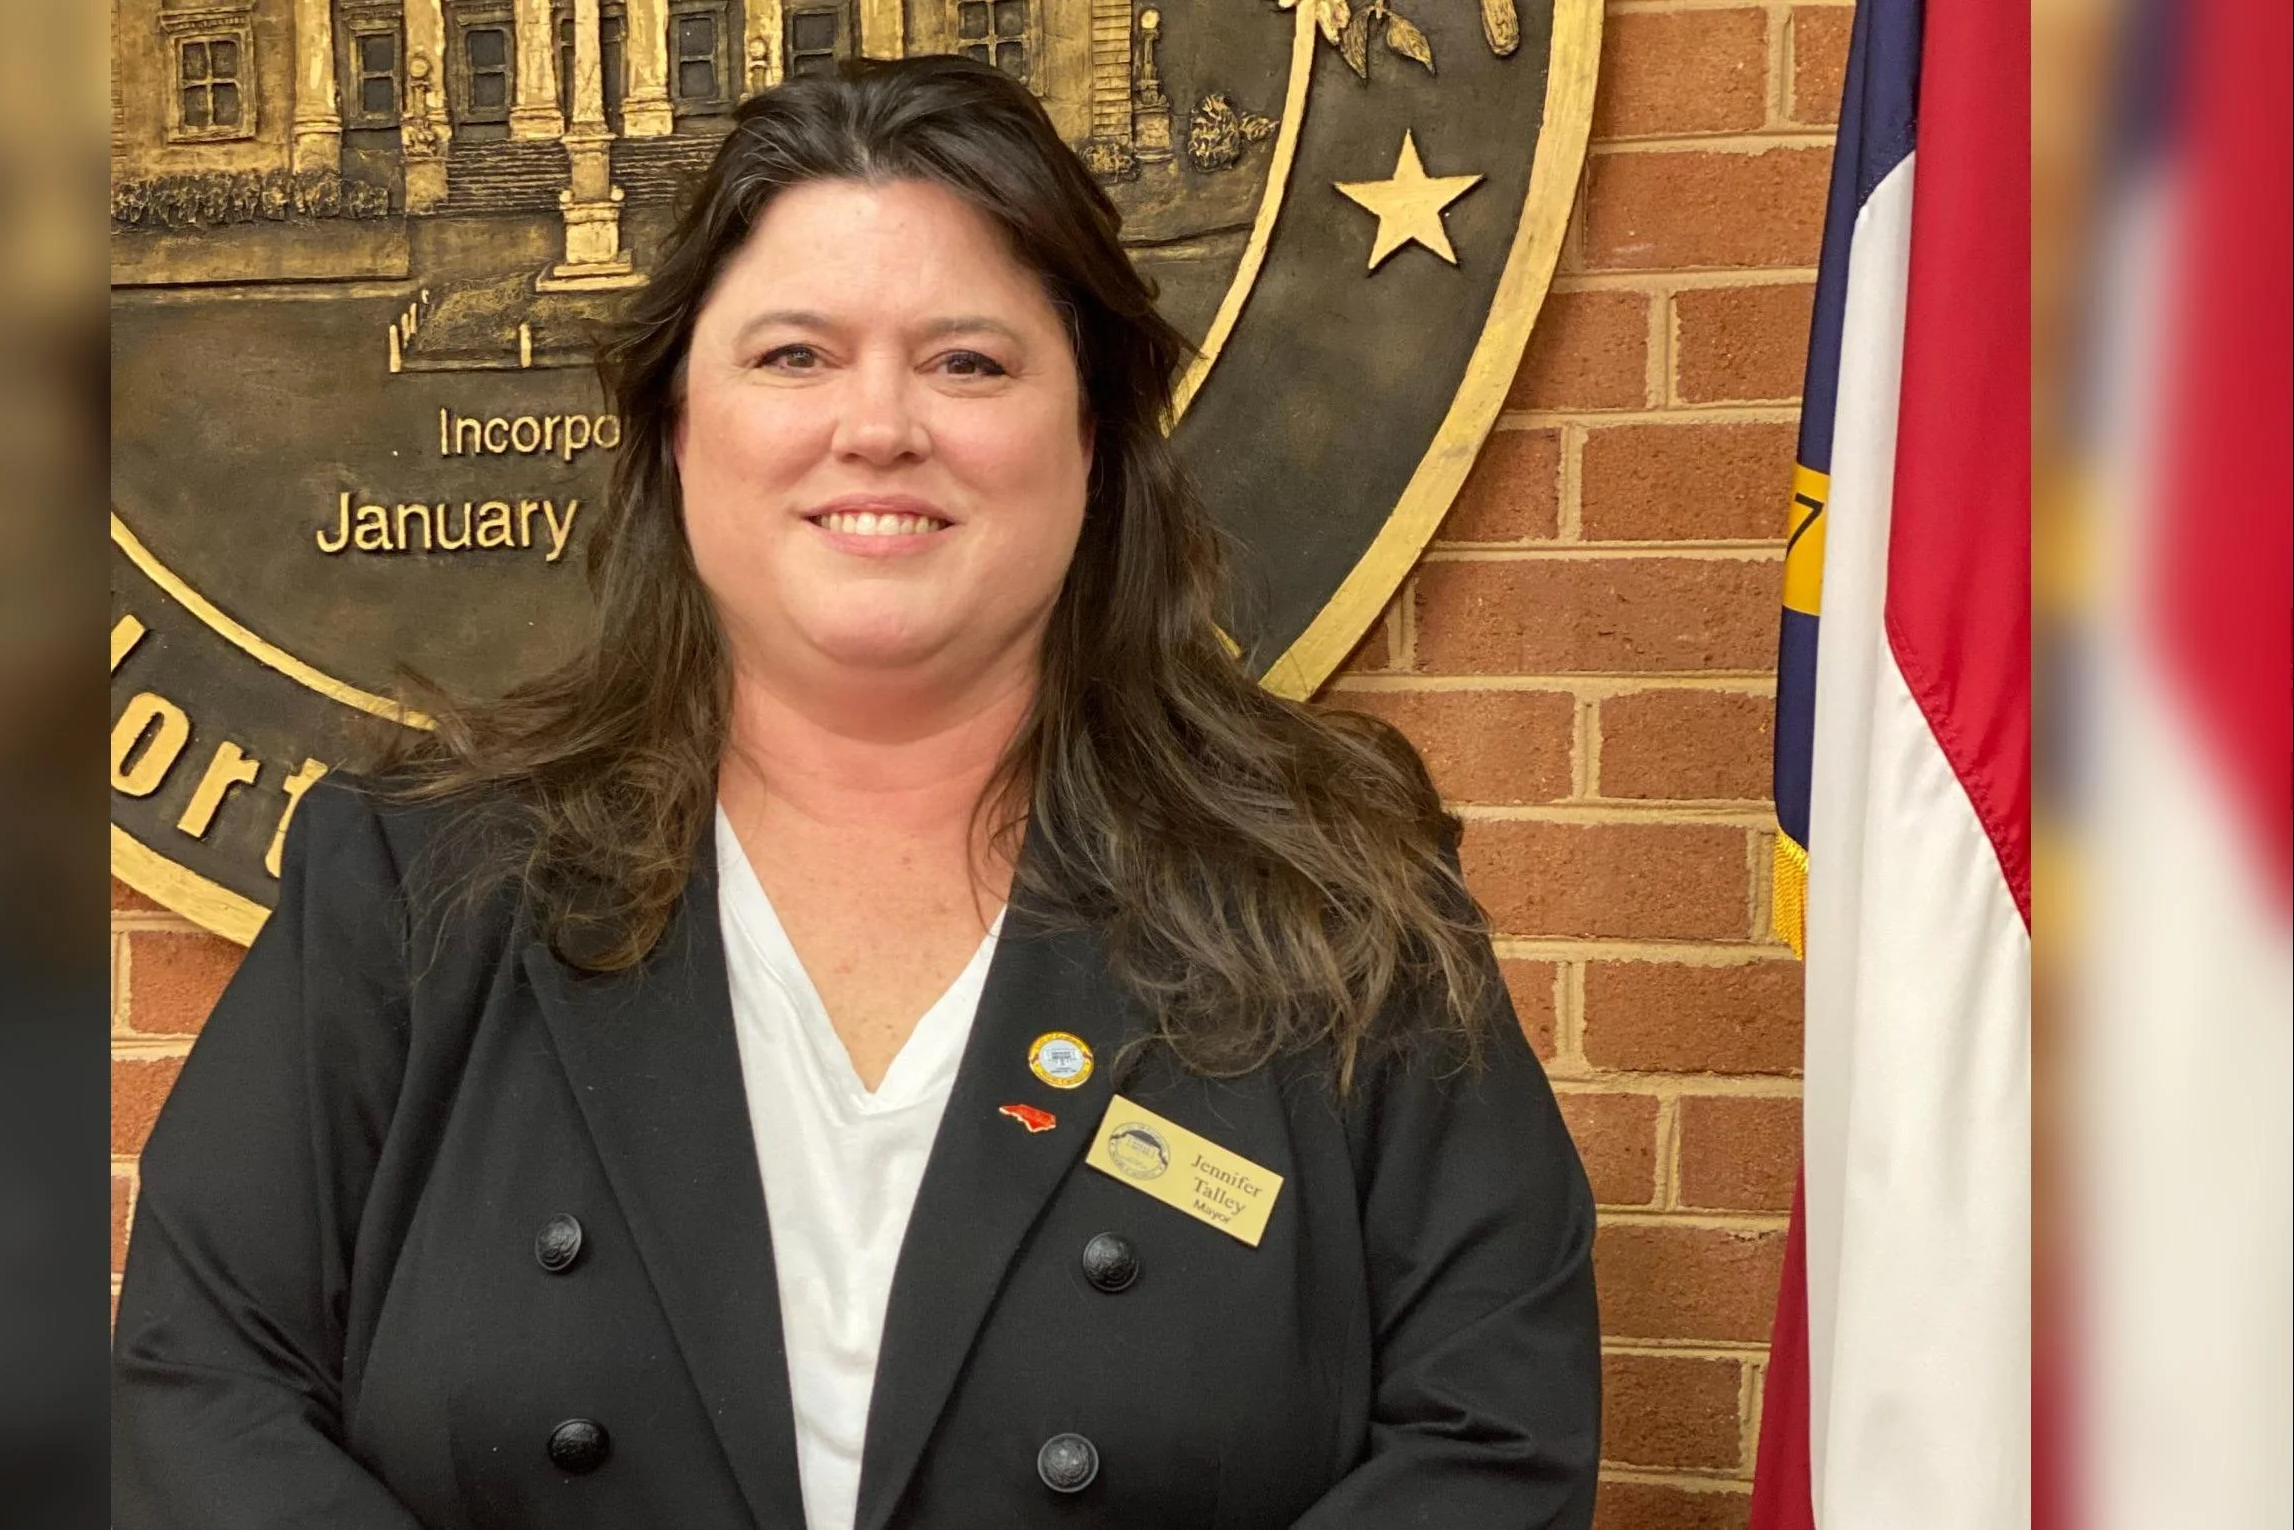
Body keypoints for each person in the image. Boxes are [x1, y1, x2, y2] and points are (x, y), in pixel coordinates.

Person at [111, 55, 1598, 1529]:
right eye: (792, 357)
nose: (878, 425)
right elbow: (199, 1387)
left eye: (969, 362)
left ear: (1091, 437)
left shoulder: (1334, 902)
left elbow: (1490, 1440)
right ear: (677, 426)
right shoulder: (410, 893)